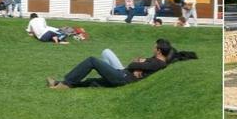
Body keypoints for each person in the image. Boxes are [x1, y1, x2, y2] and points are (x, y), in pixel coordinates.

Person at [47, 39, 182, 89]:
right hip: (123, 75)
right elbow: (136, 67)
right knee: (93, 82)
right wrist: (139, 64)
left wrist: (138, 63)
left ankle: (65, 82)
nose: (153, 49)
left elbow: (132, 66)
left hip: (123, 78)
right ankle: (61, 84)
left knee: (91, 60)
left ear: (159, 50)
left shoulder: (158, 64)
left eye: (154, 47)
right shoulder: (156, 61)